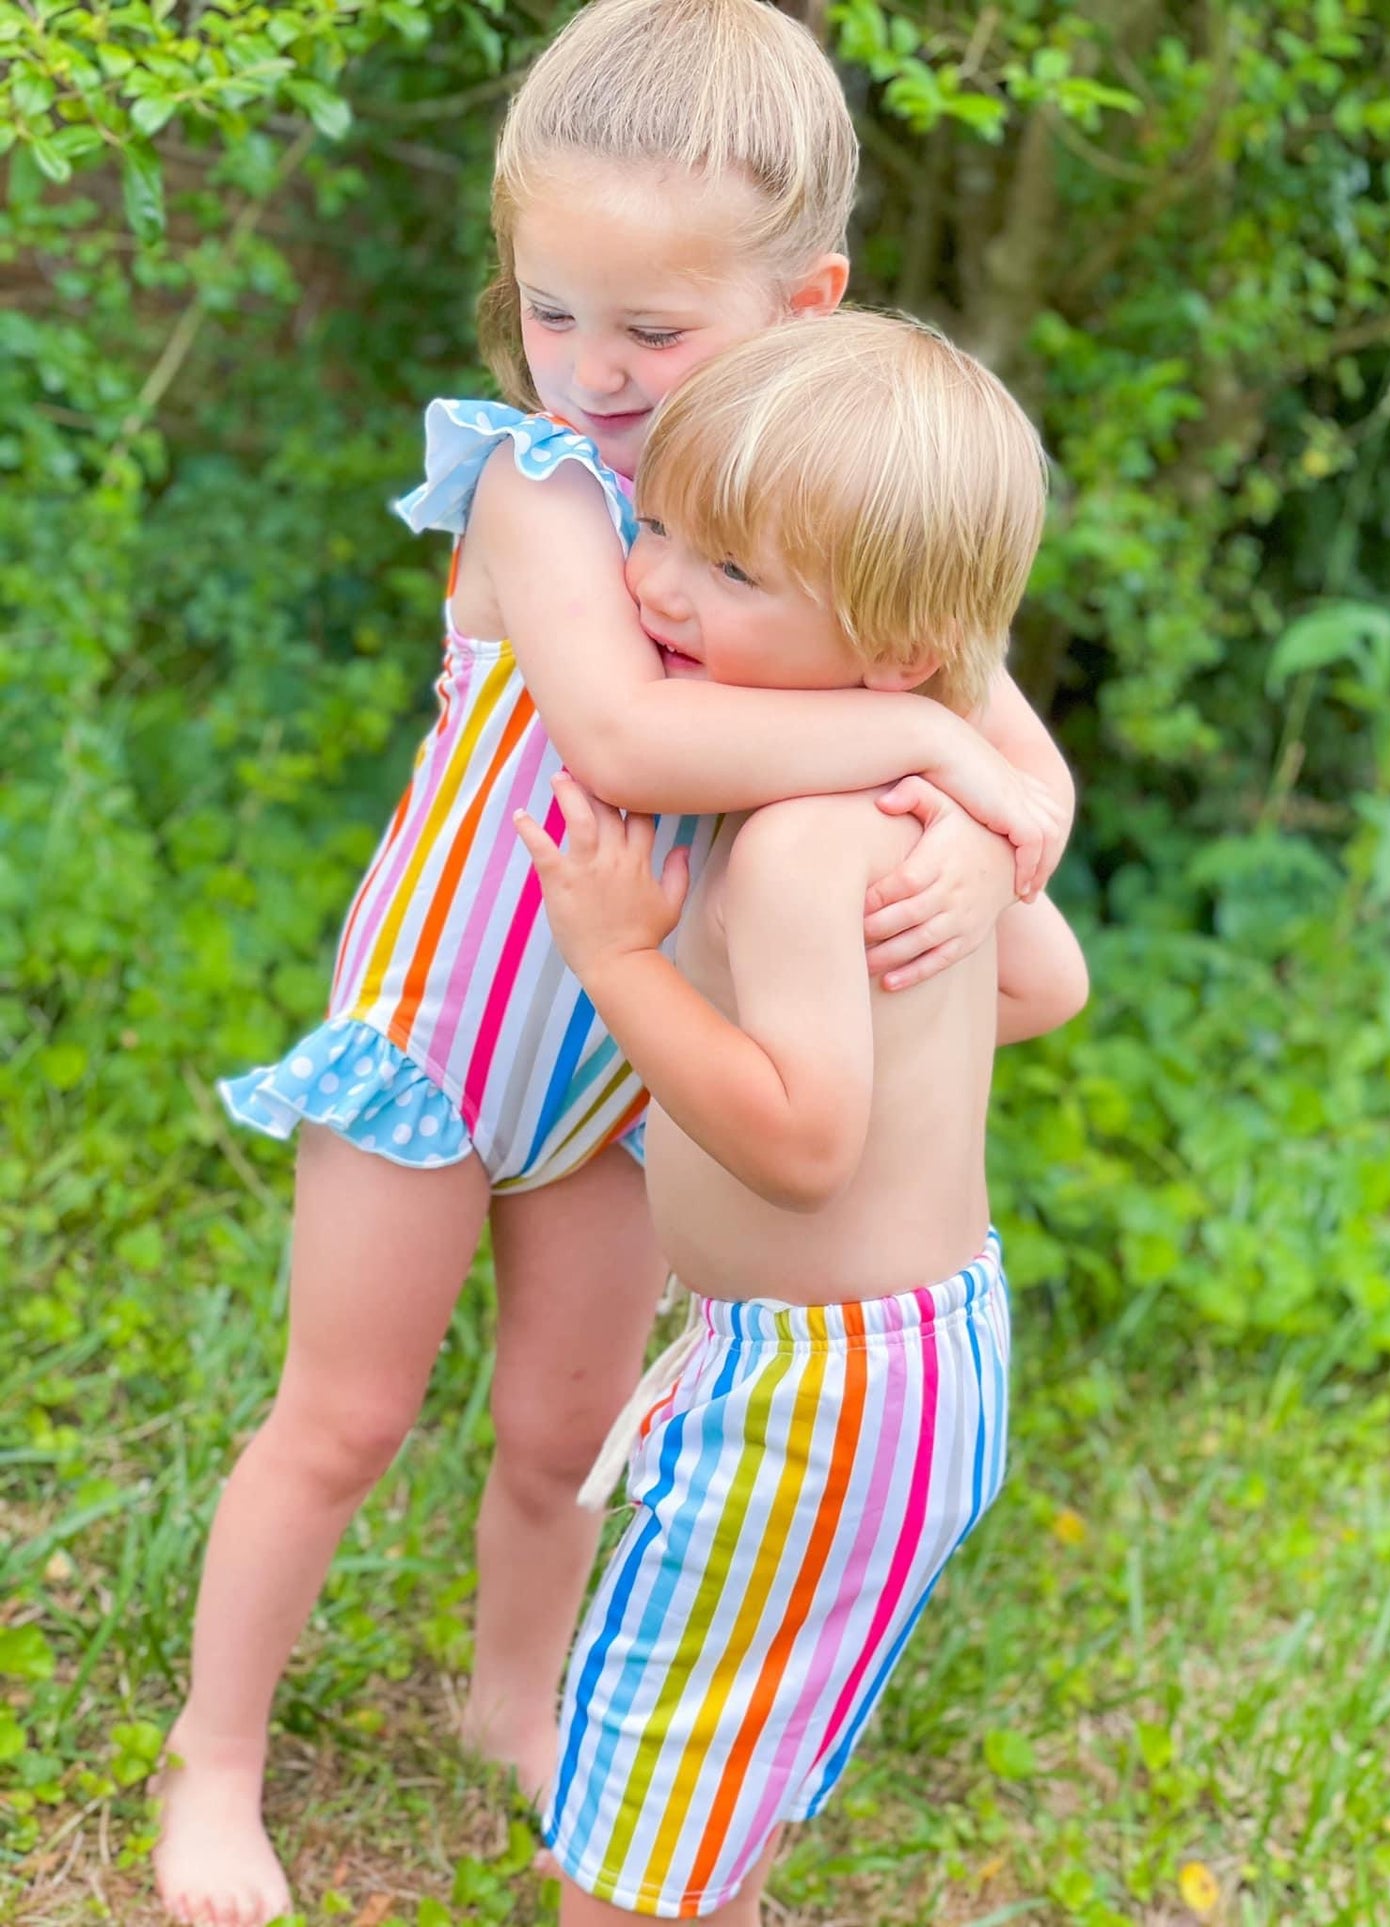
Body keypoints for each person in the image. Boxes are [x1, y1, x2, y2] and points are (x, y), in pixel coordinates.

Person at [151, 4, 1074, 1922]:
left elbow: (1017, 753)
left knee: (573, 1429)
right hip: (448, 1027)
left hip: (634, 1054)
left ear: (803, 298)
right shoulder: (540, 484)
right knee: (347, 1413)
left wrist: (992, 845)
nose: (587, 371)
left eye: (649, 334)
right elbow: (633, 749)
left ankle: (516, 1703)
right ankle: (211, 1761)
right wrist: (918, 753)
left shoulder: (799, 504)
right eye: (549, 310)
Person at [517, 310, 1087, 1925]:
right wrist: (974, 865)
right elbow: (1046, 989)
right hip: (920, 1364)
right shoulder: (905, 813)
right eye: (664, 534)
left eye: (732, 575)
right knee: (722, 1758)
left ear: (898, 649)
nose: (659, 589)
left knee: (640, 1809)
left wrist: (622, 961)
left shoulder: (787, 846)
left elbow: (802, 1138)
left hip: (820, 1391)